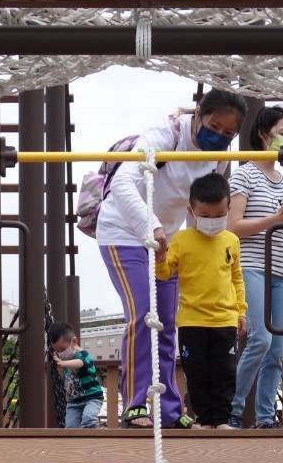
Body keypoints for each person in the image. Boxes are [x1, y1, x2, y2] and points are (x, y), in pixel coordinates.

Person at [95, 89, 248, 428]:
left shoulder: (217, 156)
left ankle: (168, 408)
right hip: (125, 233)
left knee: (166, 320)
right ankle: (136, 404)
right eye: (213, 126)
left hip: (168, 242)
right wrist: (151, 225)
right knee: (143, 314)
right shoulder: (165, 136)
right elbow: (122, 184)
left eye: (228, 133)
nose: (219, 136)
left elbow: (198, 212)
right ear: (197, 114)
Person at [157, 172, 246, 429]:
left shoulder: (231, 240)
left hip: (224, 319)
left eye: (219, 215)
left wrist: (241, 312)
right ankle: (205, 419)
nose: (212, 221)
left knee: (225, 373)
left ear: (228, 208)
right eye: (205, 216)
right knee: (197, 373)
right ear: (192, 211)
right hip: (192, 320)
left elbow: (236, 279)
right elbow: (164, 273)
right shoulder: (182, 240)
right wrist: (160, 257)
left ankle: (222, 419)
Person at [228, 104, 283, 429]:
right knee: (261, 339)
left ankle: (267, 418)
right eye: (282, 134)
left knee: (278, 348)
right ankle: (234, 409)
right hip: (252, 265)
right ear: (263, 134)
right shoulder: (244, 173)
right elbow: (233, 226)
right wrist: (276, 220)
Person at [49, 321, 105, 428]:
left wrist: (62, 363)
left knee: (88, 419)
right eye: (58, 351)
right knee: (70, 427)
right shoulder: (66, 359)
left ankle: (91, 441)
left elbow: (79, 363)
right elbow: (69, 379)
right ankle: (76, 444)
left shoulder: (83, 354)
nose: (61, 354)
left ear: (74, 342)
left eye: (63, 349)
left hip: (92, 397)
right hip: (74, 402)